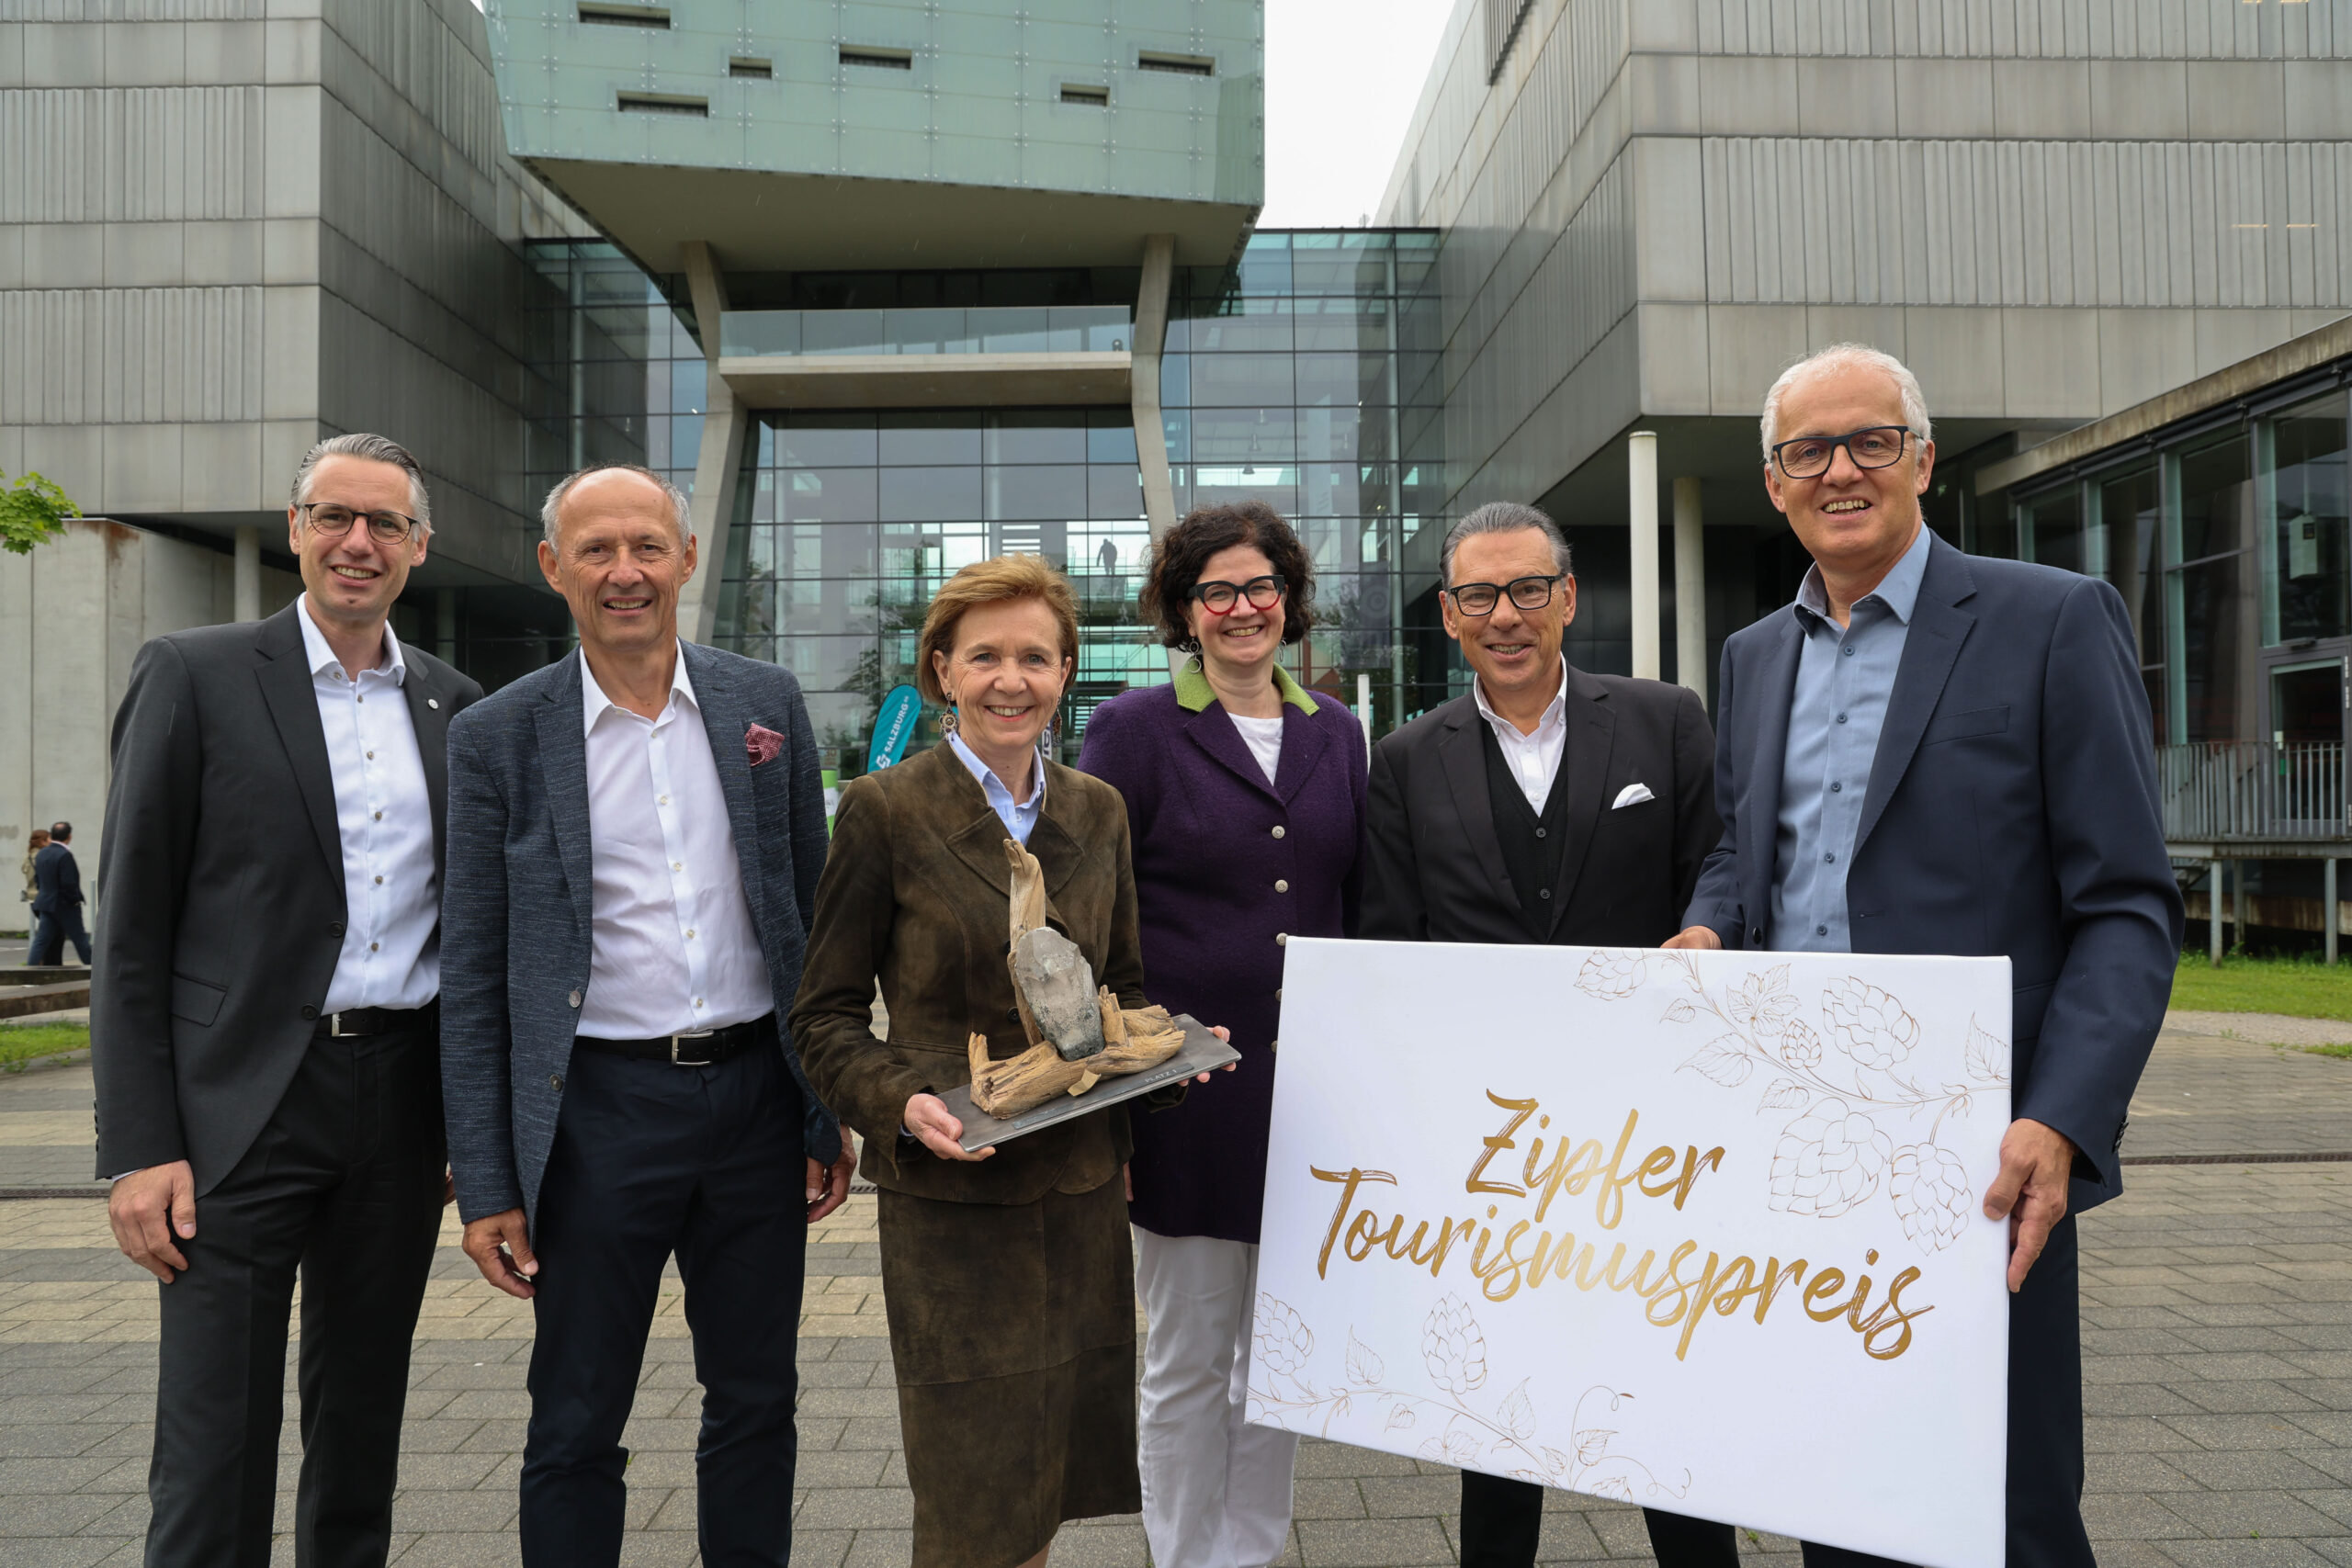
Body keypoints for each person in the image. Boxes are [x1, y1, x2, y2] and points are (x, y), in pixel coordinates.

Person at [1668, 344, 2182, 1568]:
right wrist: (1708, 922)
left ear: (1923, 459)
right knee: (1838, 1492)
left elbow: (2126, 903)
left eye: (1870, 440)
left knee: (2008, 1506)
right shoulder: (1752, 659)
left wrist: (2060, 1115)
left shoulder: (2050, 618)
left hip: (1981, 1149)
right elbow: (1753, 855)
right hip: (1799, 1144)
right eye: (1810, 450)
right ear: (1775, 481)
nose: (1841, 468)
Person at [438, 462, 854, 1568]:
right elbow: (475, 975)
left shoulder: (762, 704)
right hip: (596, 1116)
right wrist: (486, 1181)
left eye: (646, 547)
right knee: (575, 1419)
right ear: (553, 568)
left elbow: (811, 923)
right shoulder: (496, 737)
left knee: (758, 1401)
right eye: (597, 551)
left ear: (685, 557)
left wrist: (825, 1111)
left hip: (758, 1098)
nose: (625, 573)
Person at [89, 433, 483, 1567]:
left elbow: (470, 936)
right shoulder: (194, 672)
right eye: (332, 517)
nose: (358, 544)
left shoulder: (458, 708)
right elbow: (132, 936)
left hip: (399, 1105)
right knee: (214, 1445)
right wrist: (140, 1146)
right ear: (299, 526)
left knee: (361, 1430)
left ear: (419, 547)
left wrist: (470, 1126)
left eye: (385, 524)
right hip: (236, 1111)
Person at [792, 555, 1228, 1568]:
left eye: (1034, 656)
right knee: (968, 1500)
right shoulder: (883, 810)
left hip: (1074, 1193)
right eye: (984, 655)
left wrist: (1164, 1063)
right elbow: (823, 1016)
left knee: (1043, 1492)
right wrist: (903, 1107)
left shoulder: (1098, 810)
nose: (1010, 679)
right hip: (956, 1201)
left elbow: (1116, 986)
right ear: (941, 670)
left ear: (1067, 672)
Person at [1360, 501, 1735, 1568]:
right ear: (1448, 614)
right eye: (1479, 595)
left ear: (1569, 598)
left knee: (1666, 1373)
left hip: (1655, 1126)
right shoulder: (1404, 759)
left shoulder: (1665, 720)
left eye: (1528, 589)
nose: (1506, 615)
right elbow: (1392, 939)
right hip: (1494, 1140)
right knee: (1504, 1395)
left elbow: (1722, 858)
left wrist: (1708, 926)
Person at [1077, 501, 1364, 1568]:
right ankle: (1184, 1553)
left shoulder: (1338, 732)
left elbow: (1356, 901)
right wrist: (1112, 1097)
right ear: (1184, 612)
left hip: (1309, 1094)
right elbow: (1091, 916)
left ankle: (1250, 1549)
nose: (1242, 608)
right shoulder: (1135, 729)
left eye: (1260, 587)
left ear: (1286, 602)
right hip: (1185, 1099)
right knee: (1190, 1358)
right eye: (1217, 591)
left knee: (1279, 1353)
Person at [29, 820, 90, 964]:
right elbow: (69, 883)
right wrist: (74, 899)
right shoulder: (64, 855)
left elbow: (38, 879)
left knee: (41, 941)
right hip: (65, 905)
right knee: (80, 940)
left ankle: (29, 973)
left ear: (52, 835)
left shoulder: (42, 853)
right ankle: (94, 971)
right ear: (69, 836)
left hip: (46, 903)